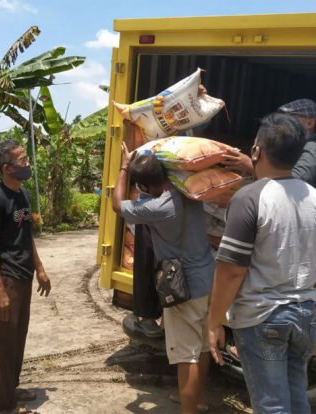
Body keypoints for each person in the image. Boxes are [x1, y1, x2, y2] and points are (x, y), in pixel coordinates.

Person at [208, 113, 316, 414]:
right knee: (297, 396)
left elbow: (232, 270)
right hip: (304, 314)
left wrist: (213, 321)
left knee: (272, 405)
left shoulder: (249, 198)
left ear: (256, 151)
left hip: (263, 317)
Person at [113, 140, 215, 414]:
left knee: (186, 355)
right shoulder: (190, 191)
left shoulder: (158, 208)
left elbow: (117, 205)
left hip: (184, 287)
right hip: (208, 279)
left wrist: (124, 168)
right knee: (203, 346)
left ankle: (189, 410)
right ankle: (198, 399)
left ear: (143, 187)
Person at [0, 139, 52, 414]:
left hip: (23, 276)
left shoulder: (21, 194)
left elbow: (26, 235)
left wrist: (40, 268)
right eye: (22, 160)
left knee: (17, 337)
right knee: (3, 341)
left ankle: (10, 388)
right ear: (7, 168)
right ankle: (3, 405)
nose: (27, 163)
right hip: (7, 279)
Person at [222, 98, 316, 203]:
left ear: (310, 123)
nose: (283, 124)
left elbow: (292, 183)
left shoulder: (312, 150)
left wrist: (249, 165)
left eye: (290, 119)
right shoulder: (292, 147)